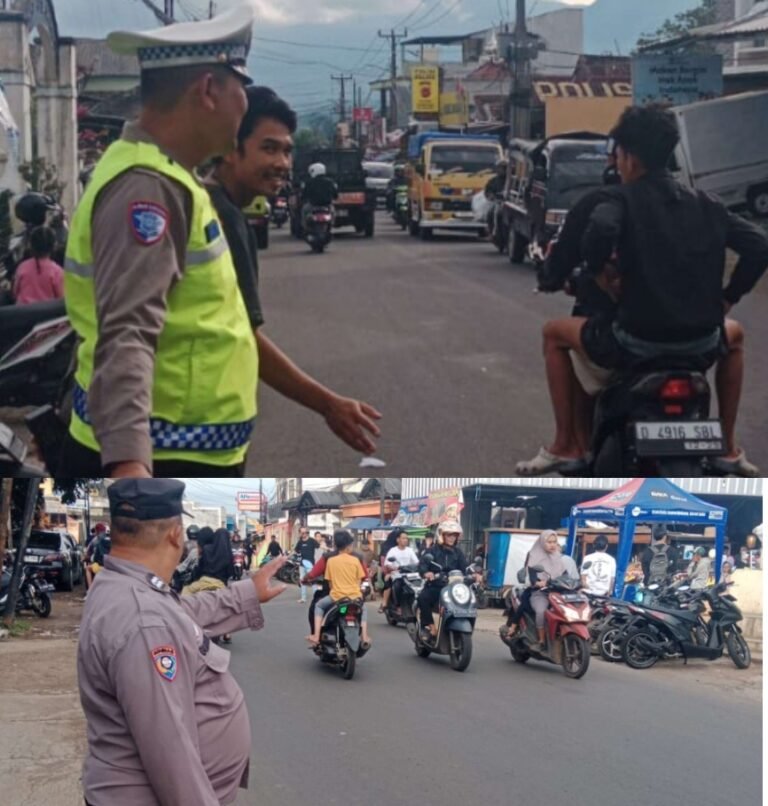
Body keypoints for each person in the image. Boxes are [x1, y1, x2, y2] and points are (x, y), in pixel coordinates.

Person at [519, 104, 768, 476]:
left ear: (630, 157)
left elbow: (600, 231)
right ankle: (729, 448)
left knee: (554, 334)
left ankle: (565, 444)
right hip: (701, 344)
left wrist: (599, 271)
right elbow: (759, 245)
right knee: (735, 334)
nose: (617, 163)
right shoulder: (708, 205)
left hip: (633, 341)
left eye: (618, 154)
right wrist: (729, 295)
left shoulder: (616, 200)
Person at [77, 478, 286, 805]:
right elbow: (169, 751)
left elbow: (183, 611)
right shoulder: (146, 621)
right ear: (176, 534)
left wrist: (247, 593)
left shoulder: (124, 586)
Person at [205, 85, 381, 458]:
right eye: (268, 148)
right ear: (230, 148)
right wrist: (327, 404)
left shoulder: (209, 203)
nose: (283, 163)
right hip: (198, 440)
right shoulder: (221, 217)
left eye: (287, 150)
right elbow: (245, 336)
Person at [416, 521, 480, 641]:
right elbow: (423, 565)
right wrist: (426, 573)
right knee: (423, 598)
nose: (452, 538)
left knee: (470, 599)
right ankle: (428, 626)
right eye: (449, 535)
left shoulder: (458, 552)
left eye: (454, 535)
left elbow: (465, 567)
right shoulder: (432, 551)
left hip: (455, 587)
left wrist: (474, 574)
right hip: (437, 585)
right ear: (442, 535)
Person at [306, 530, 371, 648]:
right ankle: (365, 636)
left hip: (336, 596)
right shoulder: (357, 559)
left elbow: (328, 582)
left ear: (335, 545)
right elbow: (361, 578)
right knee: (363, 609)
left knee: (318, 606)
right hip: (355, 596)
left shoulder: (329, 559)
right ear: (349, 545)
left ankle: (316, 635)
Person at [508, 530, 566, 650]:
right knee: (541, 611)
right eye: (549, 542)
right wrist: (538, 583)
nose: (552, 545)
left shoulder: (558, 557)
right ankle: (541, 641)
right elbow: (531, 577)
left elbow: (565, 574)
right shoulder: (534, 556)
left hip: (556, 592)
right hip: (539, 592)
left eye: (554, 542)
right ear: (542, 542)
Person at [12, 225, 64, 304]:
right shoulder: (57, 271)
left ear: (31, 246)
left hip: (22, 313)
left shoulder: (22, 267)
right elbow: (62, 298)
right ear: (54, 246)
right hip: (49, 314)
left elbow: (15, 293)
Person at [378, 530, 419, 613]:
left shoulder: (410, 550)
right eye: (403, 538)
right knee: (397, 586)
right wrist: (393, 568)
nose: (405, 540)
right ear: (398, 540)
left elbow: (416, 562)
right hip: (397, 575)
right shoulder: (393, 550)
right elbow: (387, 563)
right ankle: (397, 605)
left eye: (406, 538)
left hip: (409, 575)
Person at [294, 527, 319, 604]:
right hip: (302, 564)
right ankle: (303, 598)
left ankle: (316, 598)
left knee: (313, 581)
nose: (304, 534)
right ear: (300, 533)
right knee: (302, 581)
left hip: (310, 564)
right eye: (302, 533)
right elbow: (295, 550)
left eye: (305, 532)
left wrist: (329, 549)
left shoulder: (312, 541)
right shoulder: (300, 542)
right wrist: (286, 557)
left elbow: (320, 546)